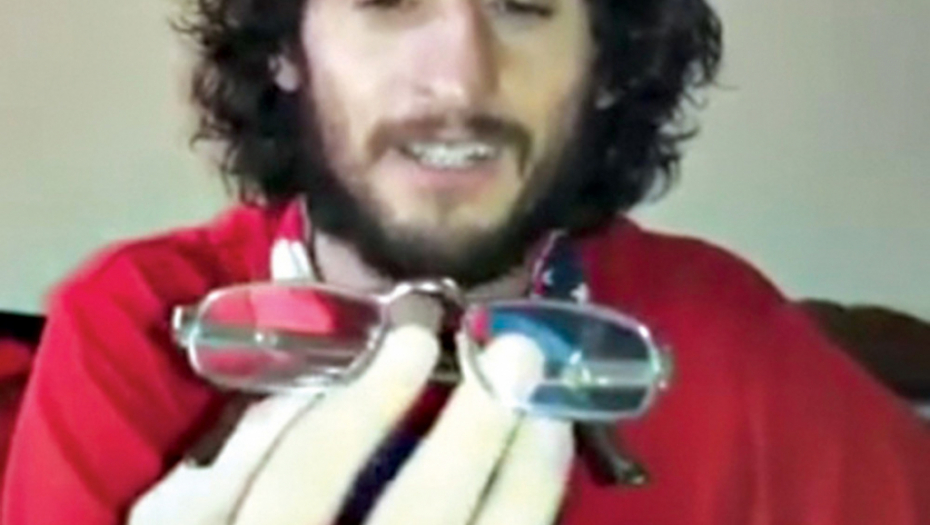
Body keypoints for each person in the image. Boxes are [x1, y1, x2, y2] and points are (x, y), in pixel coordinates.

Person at [3, 0, 929, 523]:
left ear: (606, 66)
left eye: (524, 3)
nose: (458, 78)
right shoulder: (132, 322)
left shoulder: (733, 336)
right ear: (287, 47)